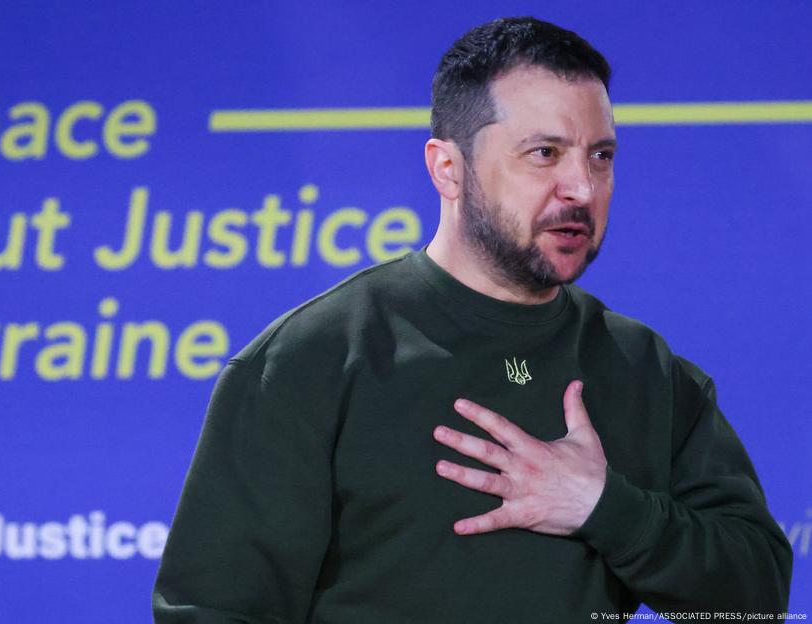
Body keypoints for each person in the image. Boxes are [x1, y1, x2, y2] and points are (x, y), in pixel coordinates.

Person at [152, 16, 793, 622]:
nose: (582, 188)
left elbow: (756, 596)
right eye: (545, 153)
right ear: (448, 169)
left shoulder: (644, 369)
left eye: (601, 156)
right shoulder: (313, 360)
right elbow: (214, 610)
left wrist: (607, 508)